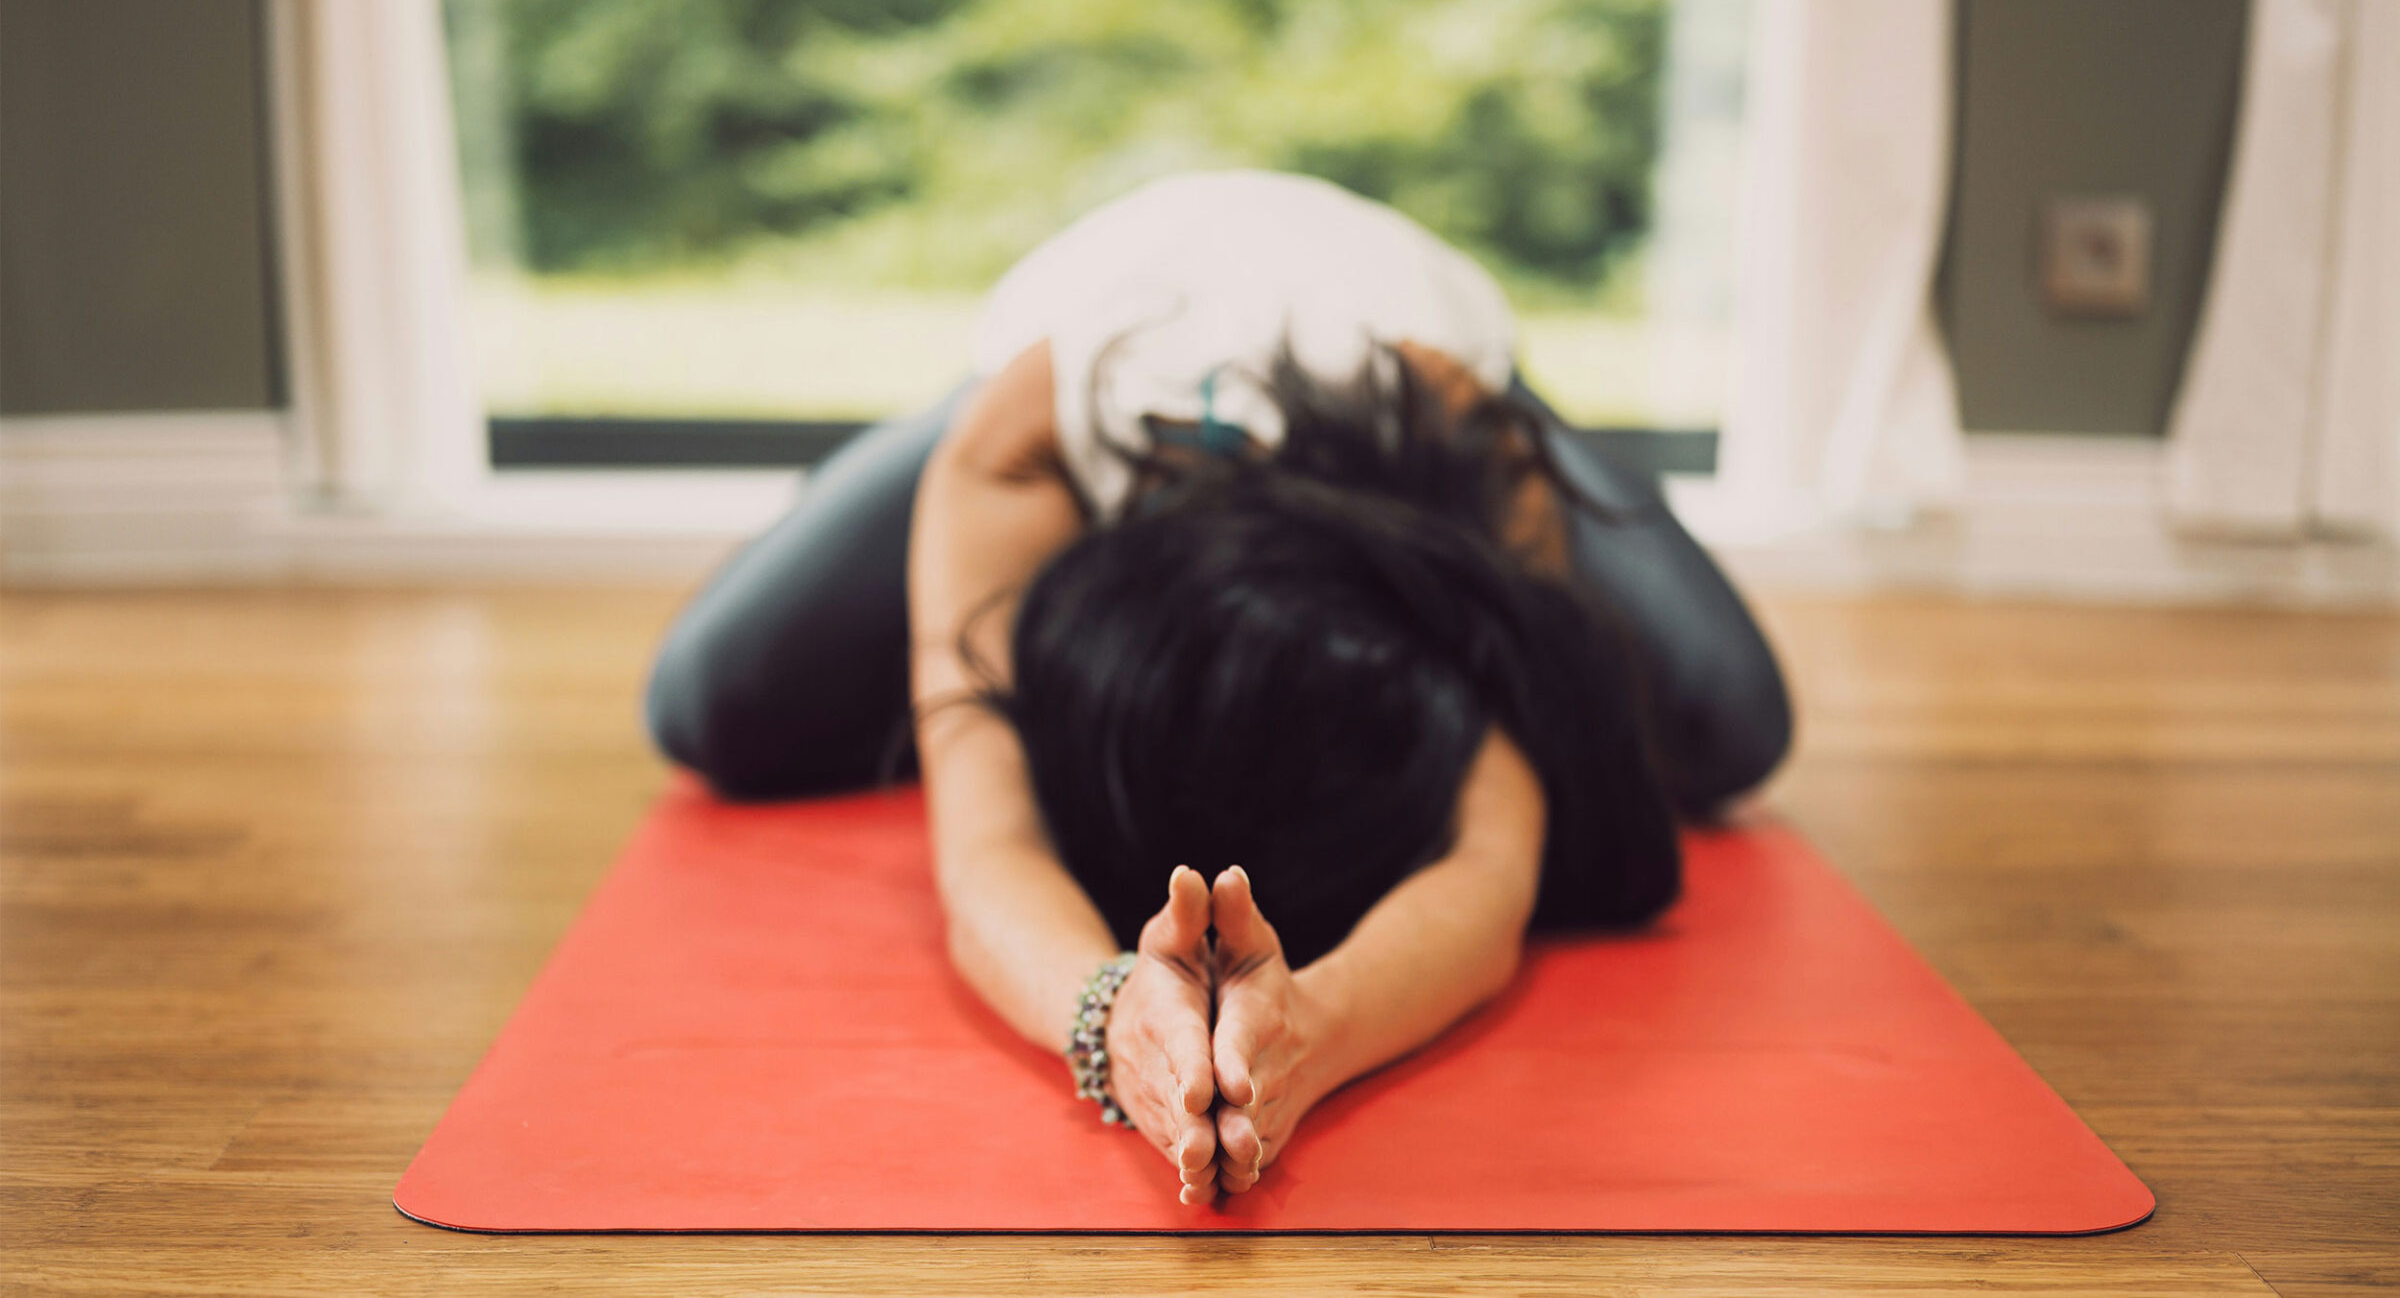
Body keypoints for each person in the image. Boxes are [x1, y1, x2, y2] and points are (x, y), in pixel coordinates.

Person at [645, 170, 1791, 1207]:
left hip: (1417, 327)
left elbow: (1495, 859)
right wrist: (1110, 1021)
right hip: (1085, 304)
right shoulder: (1021, 447)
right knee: (708, 706)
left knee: (1732, 726)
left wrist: (1310, 1036)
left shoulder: (1459, 455)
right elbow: (984, 843)